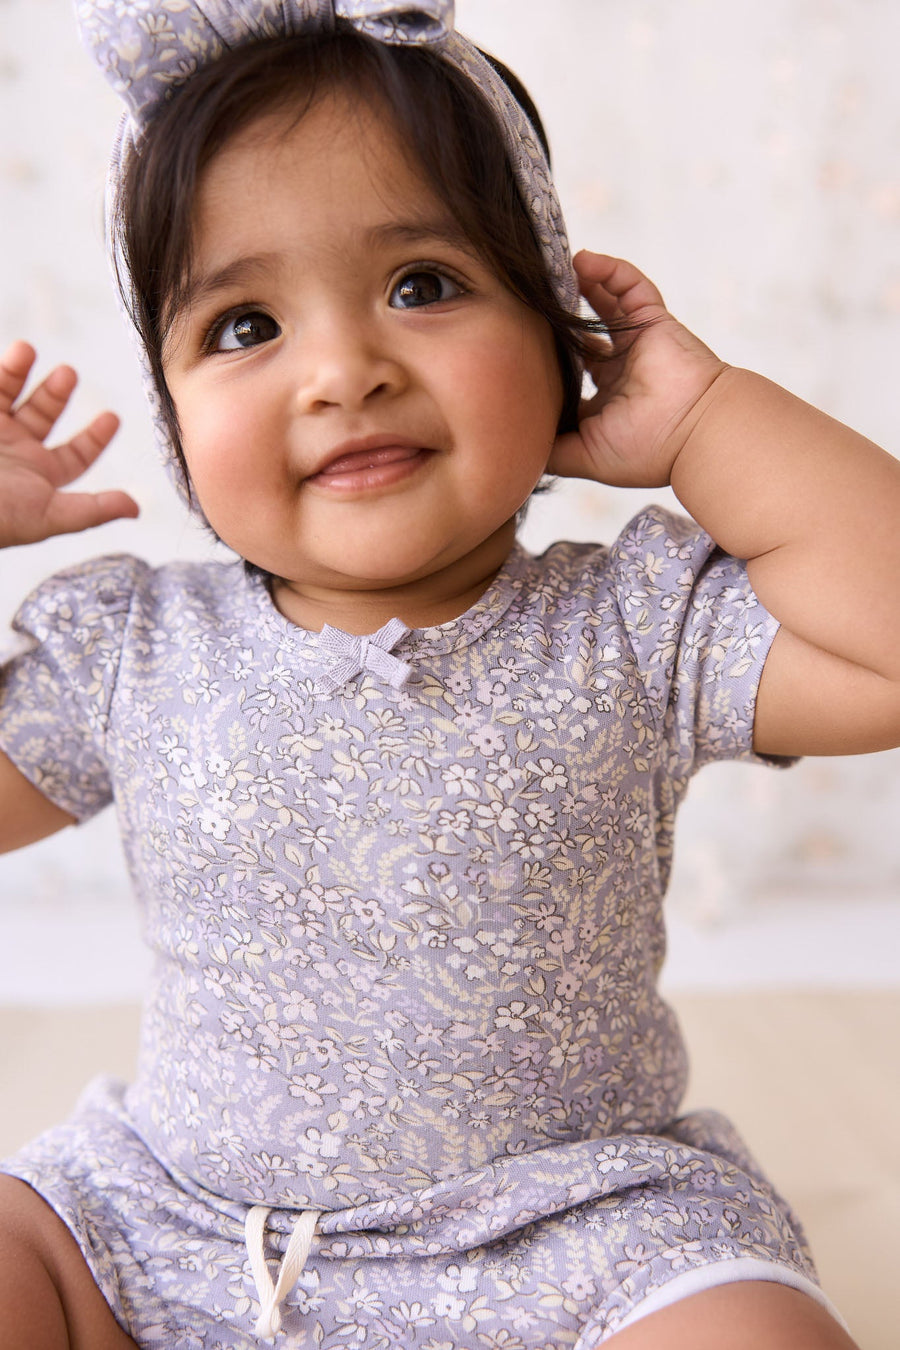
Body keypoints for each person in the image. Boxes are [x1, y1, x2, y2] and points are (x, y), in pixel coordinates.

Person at [0, 2, 897, 1347]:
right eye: (245, 324)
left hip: (575, 1236)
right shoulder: (128, 646)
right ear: (176, 414)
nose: (343, 372)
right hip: (183, 1229)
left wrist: (710, 421)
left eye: (422, 285)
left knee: (756, 1332)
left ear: (562, 342)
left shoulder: (633, 626)